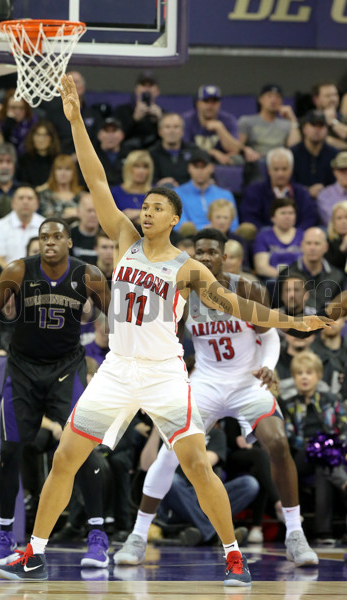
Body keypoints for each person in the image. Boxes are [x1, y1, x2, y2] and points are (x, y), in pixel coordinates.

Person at [0, 74, 330, 585]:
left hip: (166, 372)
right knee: (66, 457)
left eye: (154, 208)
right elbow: (97, 179)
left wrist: (295, 319)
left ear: (173, 218)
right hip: (118, 369)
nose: (144, 212)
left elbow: (242, 306)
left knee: (195, 462)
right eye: (143, 206)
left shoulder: (189, 267)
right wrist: (76, 119)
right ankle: (33, 552)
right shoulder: (124, 236)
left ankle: (234, 554)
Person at [114, 227, 318, 569]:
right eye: (200, 252)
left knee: (278, 442)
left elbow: (270, 336)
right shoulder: (181, 292)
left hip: (246, 382)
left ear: (224, 256)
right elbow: (167, 340)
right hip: (205, 383)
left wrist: (268, 366)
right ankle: (137, 535)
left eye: (212, 252)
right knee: (169, 453)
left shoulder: (246, 287)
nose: (205, 257)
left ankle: (295, 535)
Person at [0, 216, 111, 569]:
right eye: (44, 237)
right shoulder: (17, 271)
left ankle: (98, 536)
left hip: (66, 368)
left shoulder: (88, 275)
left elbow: (116, 319)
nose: (50, 241)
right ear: (38, 242)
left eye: (57, 236)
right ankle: (5, 537)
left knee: (82, 450)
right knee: (10, 450)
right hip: (22, 368)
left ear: (70, 243)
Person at [280, 351, 347, 544]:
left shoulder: (331, 399)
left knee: (322, 469)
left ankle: (323, 532)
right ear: (294, 378)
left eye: (309, 372)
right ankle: (344, 483)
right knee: (321, 452)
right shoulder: (290, 404)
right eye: (299, 373)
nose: (304, 377)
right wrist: (318, 443)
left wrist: (328, 444)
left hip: (330, 453)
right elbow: (291, 437)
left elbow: (343, 428)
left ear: (318, 375)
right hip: (302, 455)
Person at [239, 147, 318, 231]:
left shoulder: (301, 193)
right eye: (276, 169)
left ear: (291, 169)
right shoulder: (254, 191)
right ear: (268, 170)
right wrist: (271, 235)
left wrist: (295, 235)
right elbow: (250, 218)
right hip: (263, 239)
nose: (280, 174)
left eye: (284, 169)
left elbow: (310, 218)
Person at [275, 228, 346, 312]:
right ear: (302, 246)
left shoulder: (338, 276)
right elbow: (278, 306)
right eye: (308, 243)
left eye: (317, 243)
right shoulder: (286, 274)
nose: (312, 248)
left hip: (327, 322)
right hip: (294, 322)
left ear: (326, 247)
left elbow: (342, 307)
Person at [175, 149, 239, 233]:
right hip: (190, 240)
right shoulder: (177, 194)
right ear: (189, 168)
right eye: (196, 167)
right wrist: (206, 230)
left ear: (211, 168)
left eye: (203, 166)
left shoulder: (225, 195)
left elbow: (234, 225)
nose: (200, 171)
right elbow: (179, 225)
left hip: (222, 238)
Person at [183, 85, 244, 165]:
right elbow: (183, 148)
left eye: (214, 102)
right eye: (206, 101)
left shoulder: (228, 120)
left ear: (219, 104)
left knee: (238, 159)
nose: (210, 106)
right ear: (198, 103)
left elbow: (235, 149)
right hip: (194, 160)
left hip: (220, 160)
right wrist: (211, 152)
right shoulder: (187, 120)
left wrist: (220, 128)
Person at [0, 186, 45, 268]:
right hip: (9, 276)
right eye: (21, 198)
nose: (25, 202)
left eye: (30, 198)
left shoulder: (46, 226)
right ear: (13, 203)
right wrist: (16, 274)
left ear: (37, 204)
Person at [238, 84, 301, 159]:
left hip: (278, 162)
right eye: (269, 96)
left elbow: (295, 148)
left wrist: (293, 119)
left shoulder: (286, 124)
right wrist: (245, 150)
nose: (273, 100)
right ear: (260, 99)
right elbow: (237, 146)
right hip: (255, 161)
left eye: (277, 97)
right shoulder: (246, 121)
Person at [291, 110, 337, 199]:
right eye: (313, 125)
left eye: (321, 126)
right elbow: (288, 183)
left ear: (326, 129)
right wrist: (306, 191)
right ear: (304, 128)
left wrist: (325, 191)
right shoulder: (292, 154)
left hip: (329, 201)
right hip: (298, 200)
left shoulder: (334, 154)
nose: (317, 129)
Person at [253, 198, 304, 280]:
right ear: (273, 217)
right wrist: (286, 277)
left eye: (291, 213)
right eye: (283, 213)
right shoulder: (263, 236)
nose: (287, 217)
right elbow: (261, 267)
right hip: (273, 280)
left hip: (301, 280)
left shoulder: (303, 236)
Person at [114, 71, 163, 149]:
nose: (147, 89)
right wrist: (134, 119)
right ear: (136, 89)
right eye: (143, 85)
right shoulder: (122, 111)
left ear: (157, 91)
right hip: (128, 152)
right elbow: (115, 137)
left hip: (155, 154)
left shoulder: (164, 114)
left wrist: (161, 121)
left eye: (151, 85)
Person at [150, 113, 197, 186]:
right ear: (160, 131)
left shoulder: (194, 151)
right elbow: (149, 181)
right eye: (167, 127)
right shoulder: (151, 154)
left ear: (182, 131)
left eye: (176, 127)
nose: (172, 131)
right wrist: (158, 184)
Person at [110, 150, 154, 225]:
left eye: (145, 167)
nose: (141, 171)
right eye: (136, 166)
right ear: (128, 168)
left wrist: (135, 214)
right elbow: (111, 221)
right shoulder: (115, 193)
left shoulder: (156, 193)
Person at [16, 120, 61, 188]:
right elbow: (22, 184)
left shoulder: (58, 160)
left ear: (51, 138)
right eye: (38, 135)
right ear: (32, 137)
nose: (41, 139)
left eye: (45, 135)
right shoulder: (24, 160)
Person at [38, 154, 82, 220]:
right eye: (59, 169)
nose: (63, 173)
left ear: (74, 173)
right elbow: (47, 217)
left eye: (68, 169)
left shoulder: (81, 196)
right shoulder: (45, 195)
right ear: (54, 172)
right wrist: (66, 213)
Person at [0, 90, 38, 155]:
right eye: (13, 108)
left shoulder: (32, 121)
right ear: (6, 108)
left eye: (21, 108)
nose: (18, 112)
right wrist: (9, 124)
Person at [95, 117, 130, 187]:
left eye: (114, 131)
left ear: (122, 135)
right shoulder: (91, 156)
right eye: (106, 131)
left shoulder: (130, 155)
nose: (110, 135)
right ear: (99, 135)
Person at [312, 81, 347, 150]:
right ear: (316, 100)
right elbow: (319, 142)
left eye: (335, 95)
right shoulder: (309, 119)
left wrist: (332, 122)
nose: (333, 99)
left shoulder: (344, 118)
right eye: (327, 96)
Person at [317, 152, 347, 227]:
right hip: (333, 237)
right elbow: (332, 222)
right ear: (335, 172)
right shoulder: (325, 195)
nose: (346, 173)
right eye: (342, 170)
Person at [70, 192, 100, 264]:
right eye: (89, 211)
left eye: (96, 211)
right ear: (78, 212)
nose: (93, 215)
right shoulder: (69, 236)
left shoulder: (108, 236)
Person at [325, 200, 347, 271]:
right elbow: (331, 268)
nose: (343, 222)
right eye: (339, 218)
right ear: (333, 222)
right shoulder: (329, 241)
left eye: (346, 217)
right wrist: (343, 247)